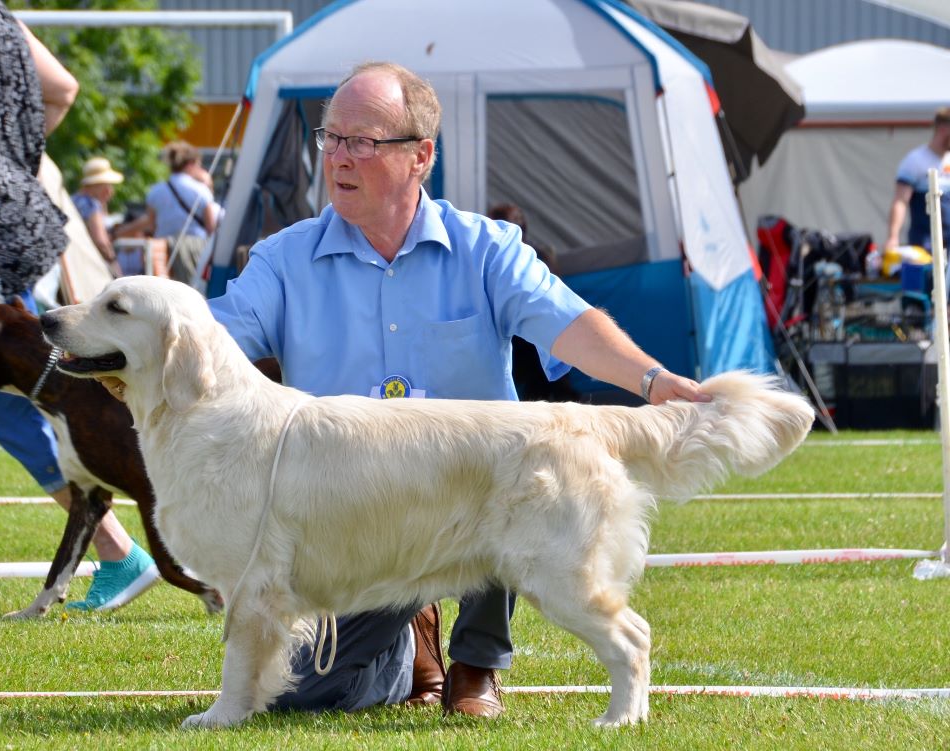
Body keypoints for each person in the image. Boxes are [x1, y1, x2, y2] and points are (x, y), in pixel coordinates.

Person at [199, 61, 707, 718]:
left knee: (509, 451)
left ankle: (476, 662)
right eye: (331, 138)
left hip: (479, 502)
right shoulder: (282, 260)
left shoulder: (489, 248)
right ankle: (409, 647)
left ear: (421, 156)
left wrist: (654, 379)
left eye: (363, 142)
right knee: (299, 694)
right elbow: (213, 337)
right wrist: (128, 335)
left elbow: (569, 324)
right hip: (351, 526)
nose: (338, 159)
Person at [0, 0, 155, 612]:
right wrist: (8, 161)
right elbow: (62, 89)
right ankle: (116, 550)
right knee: (19, 400)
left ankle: (118, 550)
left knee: (20, 402)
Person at [488, 202, 580, 403]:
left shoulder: (540, 258)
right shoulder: (490, 262)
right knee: (536, 390)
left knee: (558, 387)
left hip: (546, 333)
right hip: (520, 337)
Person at [116, 140, 219, 284]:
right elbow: (211, 229)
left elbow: (151, 225)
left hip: (162, 255)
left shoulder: (155, 191)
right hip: (197, 253)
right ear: (191, 164)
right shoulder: (201, 190)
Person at [884, 107, 950, 254]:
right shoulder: (915, 160)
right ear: (942, 128)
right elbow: (900, 201)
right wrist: (893, 237)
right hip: (925, 241)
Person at [72, 156, 124, 277]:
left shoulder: (73, 200)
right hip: (87, 266)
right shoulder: (91, 204)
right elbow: (101, 242)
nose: (110, 191)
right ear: (92, 185)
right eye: (105, 185)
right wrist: (113, 264)